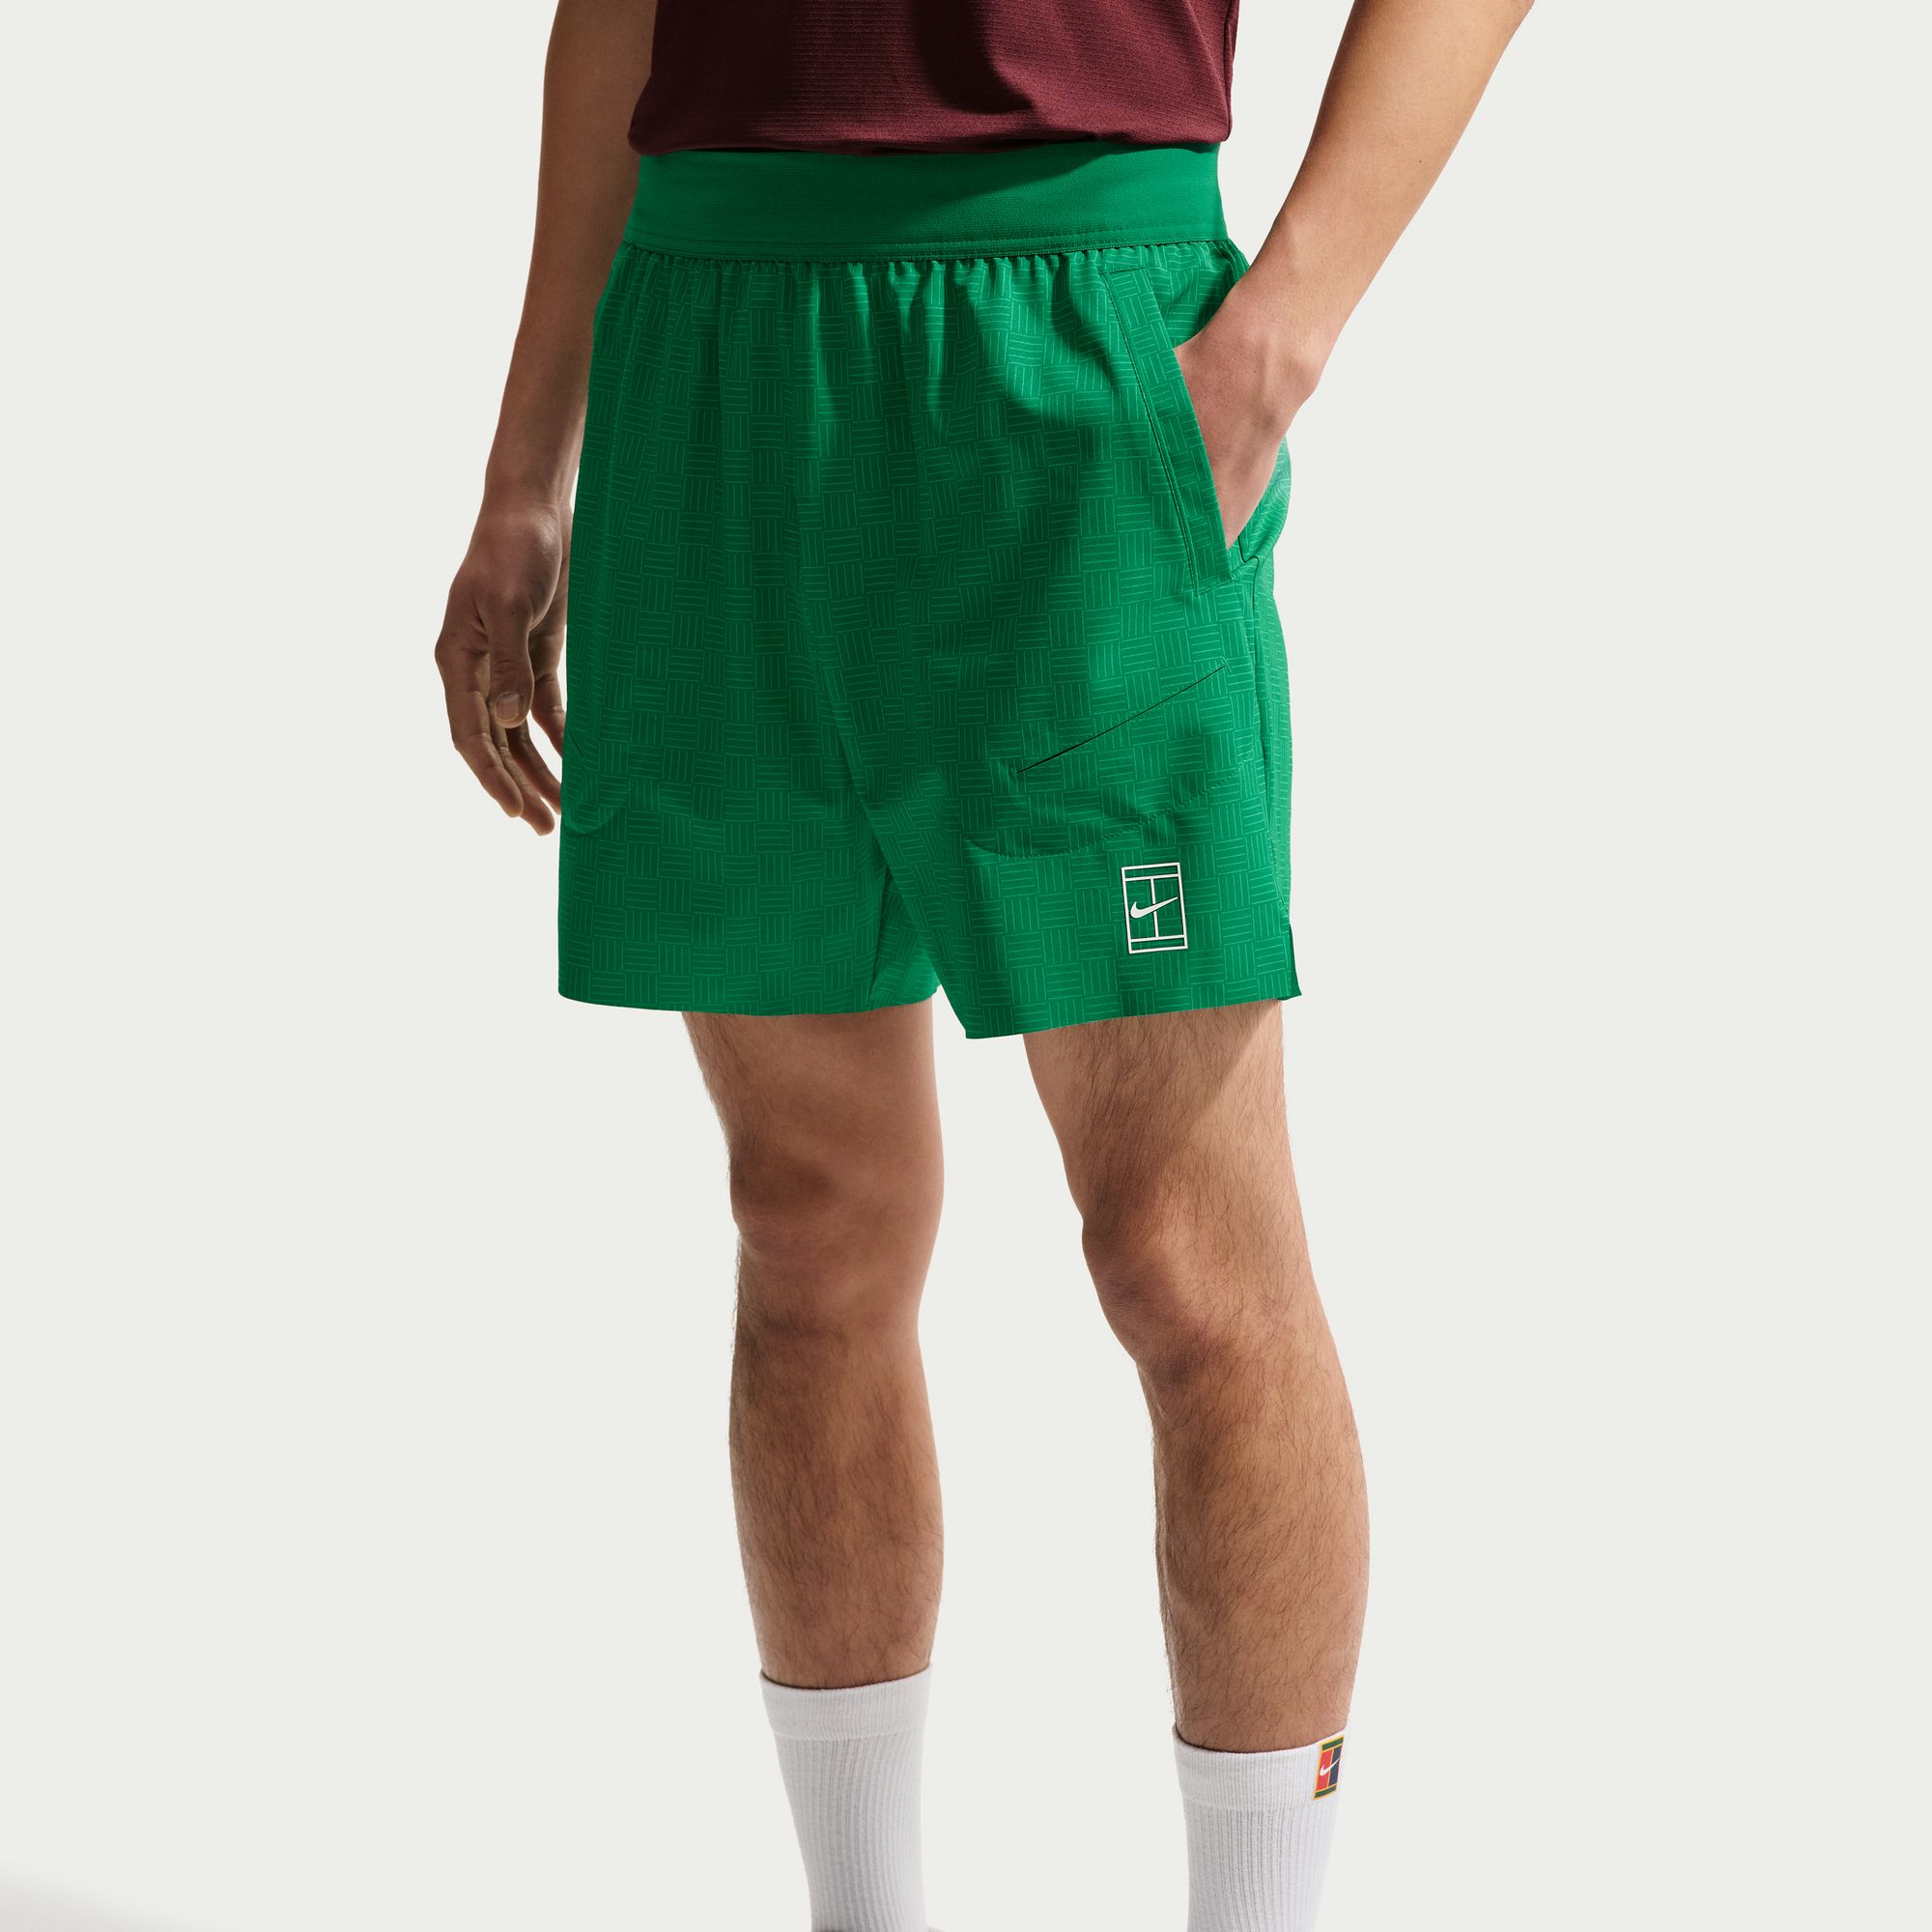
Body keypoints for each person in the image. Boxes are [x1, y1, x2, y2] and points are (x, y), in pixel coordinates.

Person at [435, 2, 1530, 1924]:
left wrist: (1282, 328)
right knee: (807, 1223)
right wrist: (528, 470)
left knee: (1190, 1270)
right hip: (712, 343)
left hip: (1071, 336)